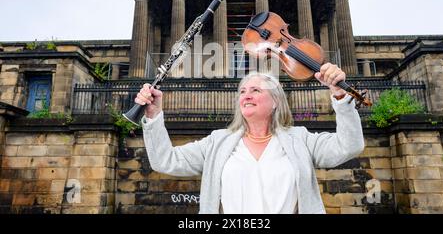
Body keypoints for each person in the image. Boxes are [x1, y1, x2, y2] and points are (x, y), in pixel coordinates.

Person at [135, 63, 364, 214]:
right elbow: (165, 161)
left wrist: (340, 96)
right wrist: (154, 115)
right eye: (242, 91)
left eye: (255, 90)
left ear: (275, 101)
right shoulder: (217, 142)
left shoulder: (300, 140)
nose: (246, 95)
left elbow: (349, 146)